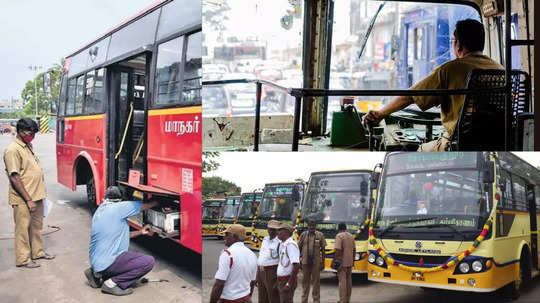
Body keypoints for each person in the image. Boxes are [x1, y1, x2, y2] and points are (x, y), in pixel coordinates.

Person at [363, 19, 503, 151]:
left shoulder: (451, 69)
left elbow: (411, 97)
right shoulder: (500, 70)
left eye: (453, 41)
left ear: (459, 45)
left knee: (421, 150)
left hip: (458, 144)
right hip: (496, 142)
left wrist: (381, 114)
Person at [84, 186, 158, 296]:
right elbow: (147, 205)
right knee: (148, 262)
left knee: (112, 259)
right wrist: (160, 200)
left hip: (96, 262)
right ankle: (111, 284)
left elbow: (119, 236)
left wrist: (140, 232)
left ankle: (95, 274)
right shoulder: (120, 207)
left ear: (105, 197)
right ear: (120, 199)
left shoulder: (100, 210)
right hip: (108, 263)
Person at [4, 118, 54, 268]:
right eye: (30, 133)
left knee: (36, 227)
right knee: (23, 229)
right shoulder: (13, 150)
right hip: (23, 198)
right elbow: (15, 177)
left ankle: (37, 252)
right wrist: (28, 200)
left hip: (37, 195)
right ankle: (23, 259)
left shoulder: (27, 146)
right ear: (20, 132)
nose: (32, 136)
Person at [210, 224, 257, 303]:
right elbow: (252, 282)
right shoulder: (252, 255)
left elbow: (219, 284)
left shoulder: (227, 254)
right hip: (246, 299)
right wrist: (248, 297)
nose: (224, 237)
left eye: (226, 234)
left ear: (234, 236)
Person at [297, 220, 326, 303]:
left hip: (316, 264)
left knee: (316, 283)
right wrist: (298, 260)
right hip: (305, 263)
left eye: (313, 226)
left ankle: (316, 301)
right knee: (305, 283)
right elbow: (298, 248)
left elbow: (323, 250)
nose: (312, 228)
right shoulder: (303, 235)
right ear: (308, 226)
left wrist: (323, 262)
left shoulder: (320, 235)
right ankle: (304, 300)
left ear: (316, 226)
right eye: (310, 226)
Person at [257, 220, 281, 303]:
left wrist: (278, 280)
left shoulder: (280, 242)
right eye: (270, 229)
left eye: (274, 229)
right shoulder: (265, 239)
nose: (271, 231)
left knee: (273, 297)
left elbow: (282, 262)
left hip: (272, 272)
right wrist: (257, 274)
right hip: (261, 271)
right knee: (262, 297)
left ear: (278, 230)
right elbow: (261, 256)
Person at [276, 223, 300, 303]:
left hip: (287, 280)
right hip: (281, 280)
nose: (277, 232)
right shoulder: (283, 244)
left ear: (286, 232)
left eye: (280, 230)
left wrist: (289, 284)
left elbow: (296, 266)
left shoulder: (291, 245)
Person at [334, 223, 355, 303]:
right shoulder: (351, 236)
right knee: (349, 281)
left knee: (342, 282)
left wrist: (336, 262)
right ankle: (347, 299)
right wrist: (353, 261)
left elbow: (337, 250)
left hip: (342, 263)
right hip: (350, 262)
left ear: (338, 228)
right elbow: (354, 250)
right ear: (345, 228)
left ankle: (342, 300)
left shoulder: (339, 236)